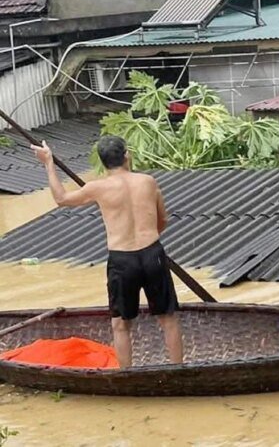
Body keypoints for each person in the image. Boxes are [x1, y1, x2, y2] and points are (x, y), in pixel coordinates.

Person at [32, 136, 183, 368]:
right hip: (153, 254)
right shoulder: (147, 181)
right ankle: (177, 371)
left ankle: (126, 375)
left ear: (103, 163)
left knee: (121, 324)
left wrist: (49, 163)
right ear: (127, 156)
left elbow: (61, 199)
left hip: (122, 259)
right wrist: (148, 241)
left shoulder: (96, 187)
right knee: (168, 318)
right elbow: (163, 220)